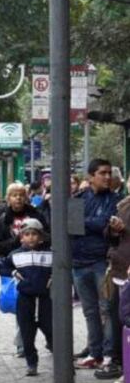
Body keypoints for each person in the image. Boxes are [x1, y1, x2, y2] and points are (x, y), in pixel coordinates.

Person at [72, 159, 122, 372]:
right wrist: (96, 222)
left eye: (109, 173)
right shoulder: (78, 199)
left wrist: (87, 221)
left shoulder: (115, 200)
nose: (107, 177)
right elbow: (72, 226)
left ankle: (110, 355)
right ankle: (95, 352)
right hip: (79, 262)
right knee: (90, 310)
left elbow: (106, 224)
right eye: (102, 173)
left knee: (108, 309)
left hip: (103, 261)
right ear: (91, 176)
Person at [0, 219, 53, 376]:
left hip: (45, 298)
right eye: (27, 234)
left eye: (34, 234)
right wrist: (13, 273)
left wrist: (53, 276)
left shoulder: (49, 253)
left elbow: (60, 265)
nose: (31, 238)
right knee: (27, 333)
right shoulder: (16, 255)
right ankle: (31, 362)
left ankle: (56, 352)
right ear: (21, 237)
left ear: (41, 236)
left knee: (50, 328)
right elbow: (3, 267)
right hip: (25, 298)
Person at [100, 192, 130, 381]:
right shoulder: (123, 206)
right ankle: (122, 364)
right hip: (121, 271)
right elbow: (110, 238)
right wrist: (114, 230)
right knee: (119, 317)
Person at [0, 183, 49, 259]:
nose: (18, 198)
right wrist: (15, 241)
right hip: (11, 260)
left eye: (21, 195)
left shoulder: (36, 215)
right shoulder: (2, 220)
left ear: (25, 197)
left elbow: (48, 237)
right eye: (14, 195)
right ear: (8, 199)